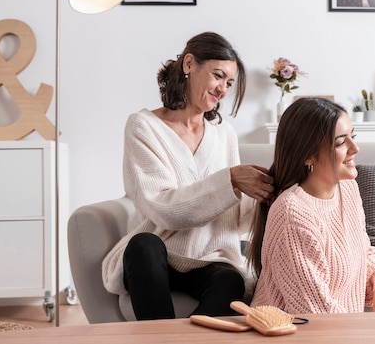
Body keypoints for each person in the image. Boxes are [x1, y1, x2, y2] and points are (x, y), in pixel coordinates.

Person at [102, 32, 274, 320]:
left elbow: (238, 220)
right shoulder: (143, 126)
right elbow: (163, 209)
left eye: (229, 83)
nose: (223, 89)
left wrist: (264, 194)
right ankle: (161, 339)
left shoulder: (224, 134)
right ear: (189, 64)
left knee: (231, 280)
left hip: (209, 260)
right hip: (157, 258)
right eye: (218, 76)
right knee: (143, 246)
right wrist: (230, 180)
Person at [248, 97, 375, 313]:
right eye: (341, 142)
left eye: (353, 136)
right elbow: (317, 313)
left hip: (338, 330)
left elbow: (363, 254)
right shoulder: (292, 212)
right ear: (308, 156)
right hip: (294, 334)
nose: (355, 148)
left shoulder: (347, 189)